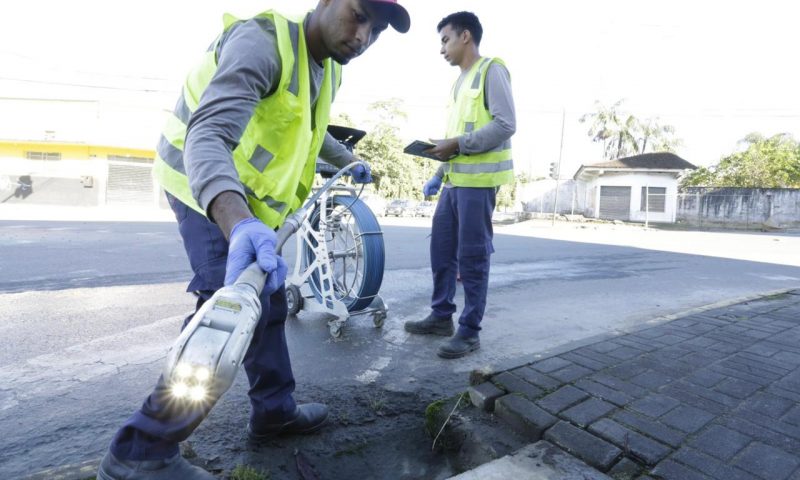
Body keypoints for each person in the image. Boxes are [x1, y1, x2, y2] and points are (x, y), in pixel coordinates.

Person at [97, 1, 410, 479]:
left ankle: (274, 410)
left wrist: (345, 156)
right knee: (229, 313)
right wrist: (238, 222)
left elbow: (310, 127)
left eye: (378, 29)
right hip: (205, 186)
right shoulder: (263, 43)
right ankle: (141, 451)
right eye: (358, 15)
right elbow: (209, 135)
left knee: (268, 301)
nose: (364, 37)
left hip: (246, 203)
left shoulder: (327, 66)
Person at [404, 11, 515, 359]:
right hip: (454, 183)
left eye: (445, 39)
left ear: (465, 36)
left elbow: (505, 124)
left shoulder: (491, 70)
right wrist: (438, 172)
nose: (442, 49)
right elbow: (457, 138)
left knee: (472, 258)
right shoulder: (458, 83)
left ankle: (469, 332)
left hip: (478, 185)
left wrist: (457, 144)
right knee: (441, 252)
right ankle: (441, 317)